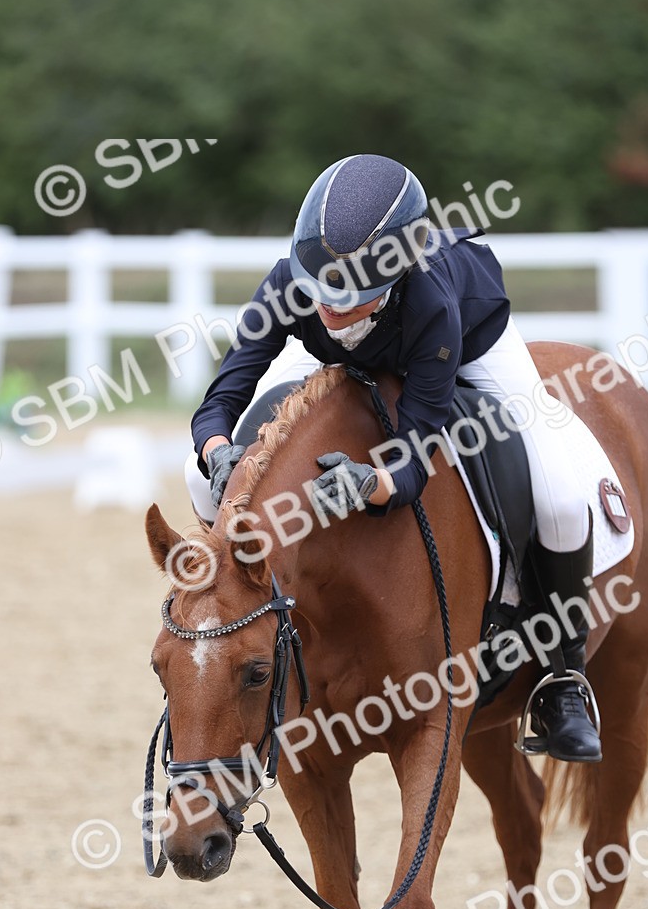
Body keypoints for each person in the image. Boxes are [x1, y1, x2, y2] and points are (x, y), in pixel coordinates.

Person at [187, 153, 601, 763]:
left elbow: (411, 459)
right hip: (335, 354)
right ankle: (230, 622)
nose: (329, 307)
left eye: (347, 295)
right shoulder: (294, 285)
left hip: (468, 344)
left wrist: (366, 484)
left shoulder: (431, 304)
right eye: (319, 290)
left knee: (561, 498)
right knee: (200, 482)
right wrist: (220, 454)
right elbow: (220, 400)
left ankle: (564, 679)